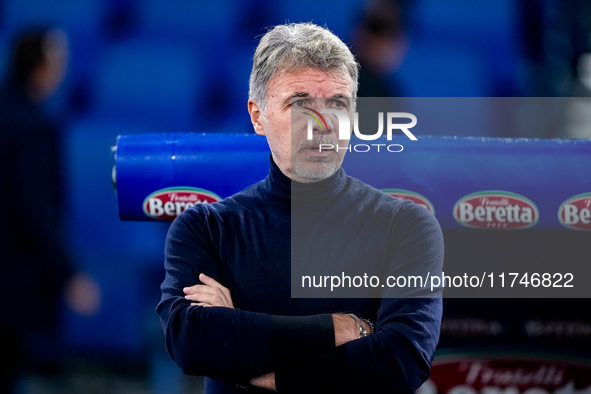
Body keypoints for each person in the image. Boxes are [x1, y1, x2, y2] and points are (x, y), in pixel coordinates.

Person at [157, 22, 443, 393]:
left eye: (337, 104)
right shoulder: (206, 227)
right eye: (299, 102)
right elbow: (192, 342)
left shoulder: (406, 226)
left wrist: (244, 343)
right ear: (257, 116)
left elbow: (400, 359)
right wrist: (346, 329)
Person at [0, 28, 100, 393]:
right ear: (40, 66)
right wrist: (68, 272)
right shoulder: (28, 128)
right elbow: (32, 207)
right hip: (13, 279)